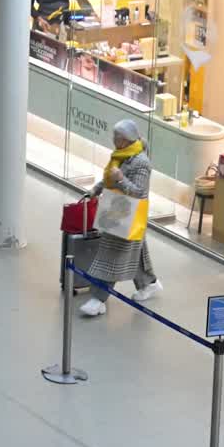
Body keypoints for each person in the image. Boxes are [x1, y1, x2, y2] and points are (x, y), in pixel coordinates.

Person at [80, 119, 162, 317]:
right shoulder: (120, 157)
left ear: (126, 140)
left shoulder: (141, 163)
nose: (113, 140)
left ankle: (98, 299)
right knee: (135, 250)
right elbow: (108, 178)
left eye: (116, 137)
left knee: (112, 255)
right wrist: (95, 190)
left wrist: (121, 179)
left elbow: (139, 192)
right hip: (115, 208)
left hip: (128, 214)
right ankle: (148, 283)